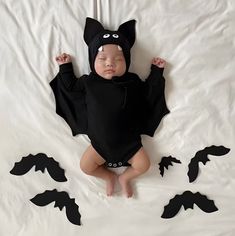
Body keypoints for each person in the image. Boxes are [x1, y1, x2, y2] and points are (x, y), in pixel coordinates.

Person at [50, 18, 170, 198]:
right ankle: (108, 177)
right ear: (92, 60)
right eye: (102, 58)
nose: (109, 63)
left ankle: (125, 178)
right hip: (100, 146)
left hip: (131, 145)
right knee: (86, 166)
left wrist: (156, 73)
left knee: (143, 165)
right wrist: (65, 68)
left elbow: (149, 94)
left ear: (127, 61)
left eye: (118, 59)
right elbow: (70, 90)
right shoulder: (89, 82)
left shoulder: (133, 81)